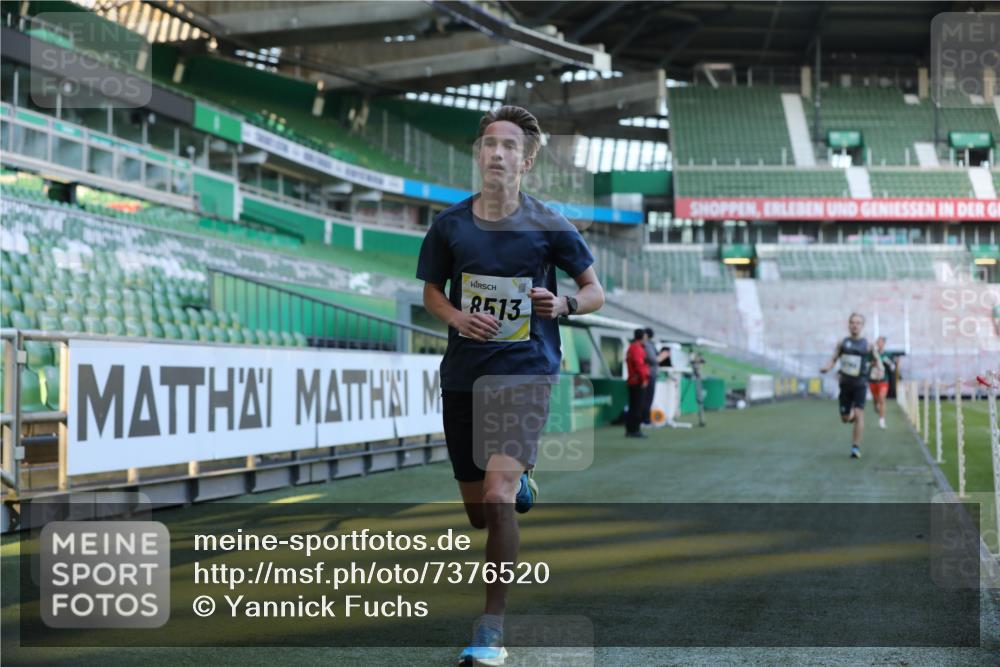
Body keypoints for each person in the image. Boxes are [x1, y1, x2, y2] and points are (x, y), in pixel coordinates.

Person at [416, 105, 604, 666]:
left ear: (526, 161)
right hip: (464, 376)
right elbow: (431, 292)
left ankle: (491, 630)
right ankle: (519, 484)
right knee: (480, 511)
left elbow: (594, 291)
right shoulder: (449, 225)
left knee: (496, 499)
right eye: (489, 144)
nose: (497, 153)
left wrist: (564, 304)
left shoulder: (550, 224)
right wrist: (457, 317)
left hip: (525, 371)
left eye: (509, 146)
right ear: (480, 154)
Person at [820, 313, 883, 459]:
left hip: (860, 384)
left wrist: (880, 369)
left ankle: (855, 447)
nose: (855, 325)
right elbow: (833, 358)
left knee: (859, 413)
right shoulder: (843, 343)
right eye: (852, 322)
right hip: (845, 385)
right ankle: (851, 414)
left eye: (858, 323)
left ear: (862, 326)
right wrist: (827, 367)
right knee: (845, 418)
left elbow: (878, 359)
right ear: (849, 325)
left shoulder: (867, 345)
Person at [626, 328, 650, 438]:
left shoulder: (632, 347)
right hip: (638, 381)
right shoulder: (637, 348)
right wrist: (644, 379)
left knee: (633, 406)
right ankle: (635, 430)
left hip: (633, 380)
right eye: (645, 336)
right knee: (638, 407)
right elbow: (639, 365)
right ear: (642, 337)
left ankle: (630, 429)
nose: (646, 338)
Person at [869, 336, 896, 429]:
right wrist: (872, 363)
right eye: (877, 342)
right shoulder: (872, 354)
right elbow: (866, 364)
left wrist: (888, 363)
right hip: (873, 380)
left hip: (883, 380)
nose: (879, 344)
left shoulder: (888, 354)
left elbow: (893, 367)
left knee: (882, 399)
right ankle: (875, 404)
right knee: (876, 399)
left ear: (884, 343)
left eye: (880, 342)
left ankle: (882, 420)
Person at [641, 327, 658, 426]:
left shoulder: (649, 344)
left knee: (647, 398)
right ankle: (645, 419)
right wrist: (662, 356)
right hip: (648, 375)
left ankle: (645, 418)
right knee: (647, 398)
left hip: (649, 374)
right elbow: (653, 359)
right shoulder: (647, 345)